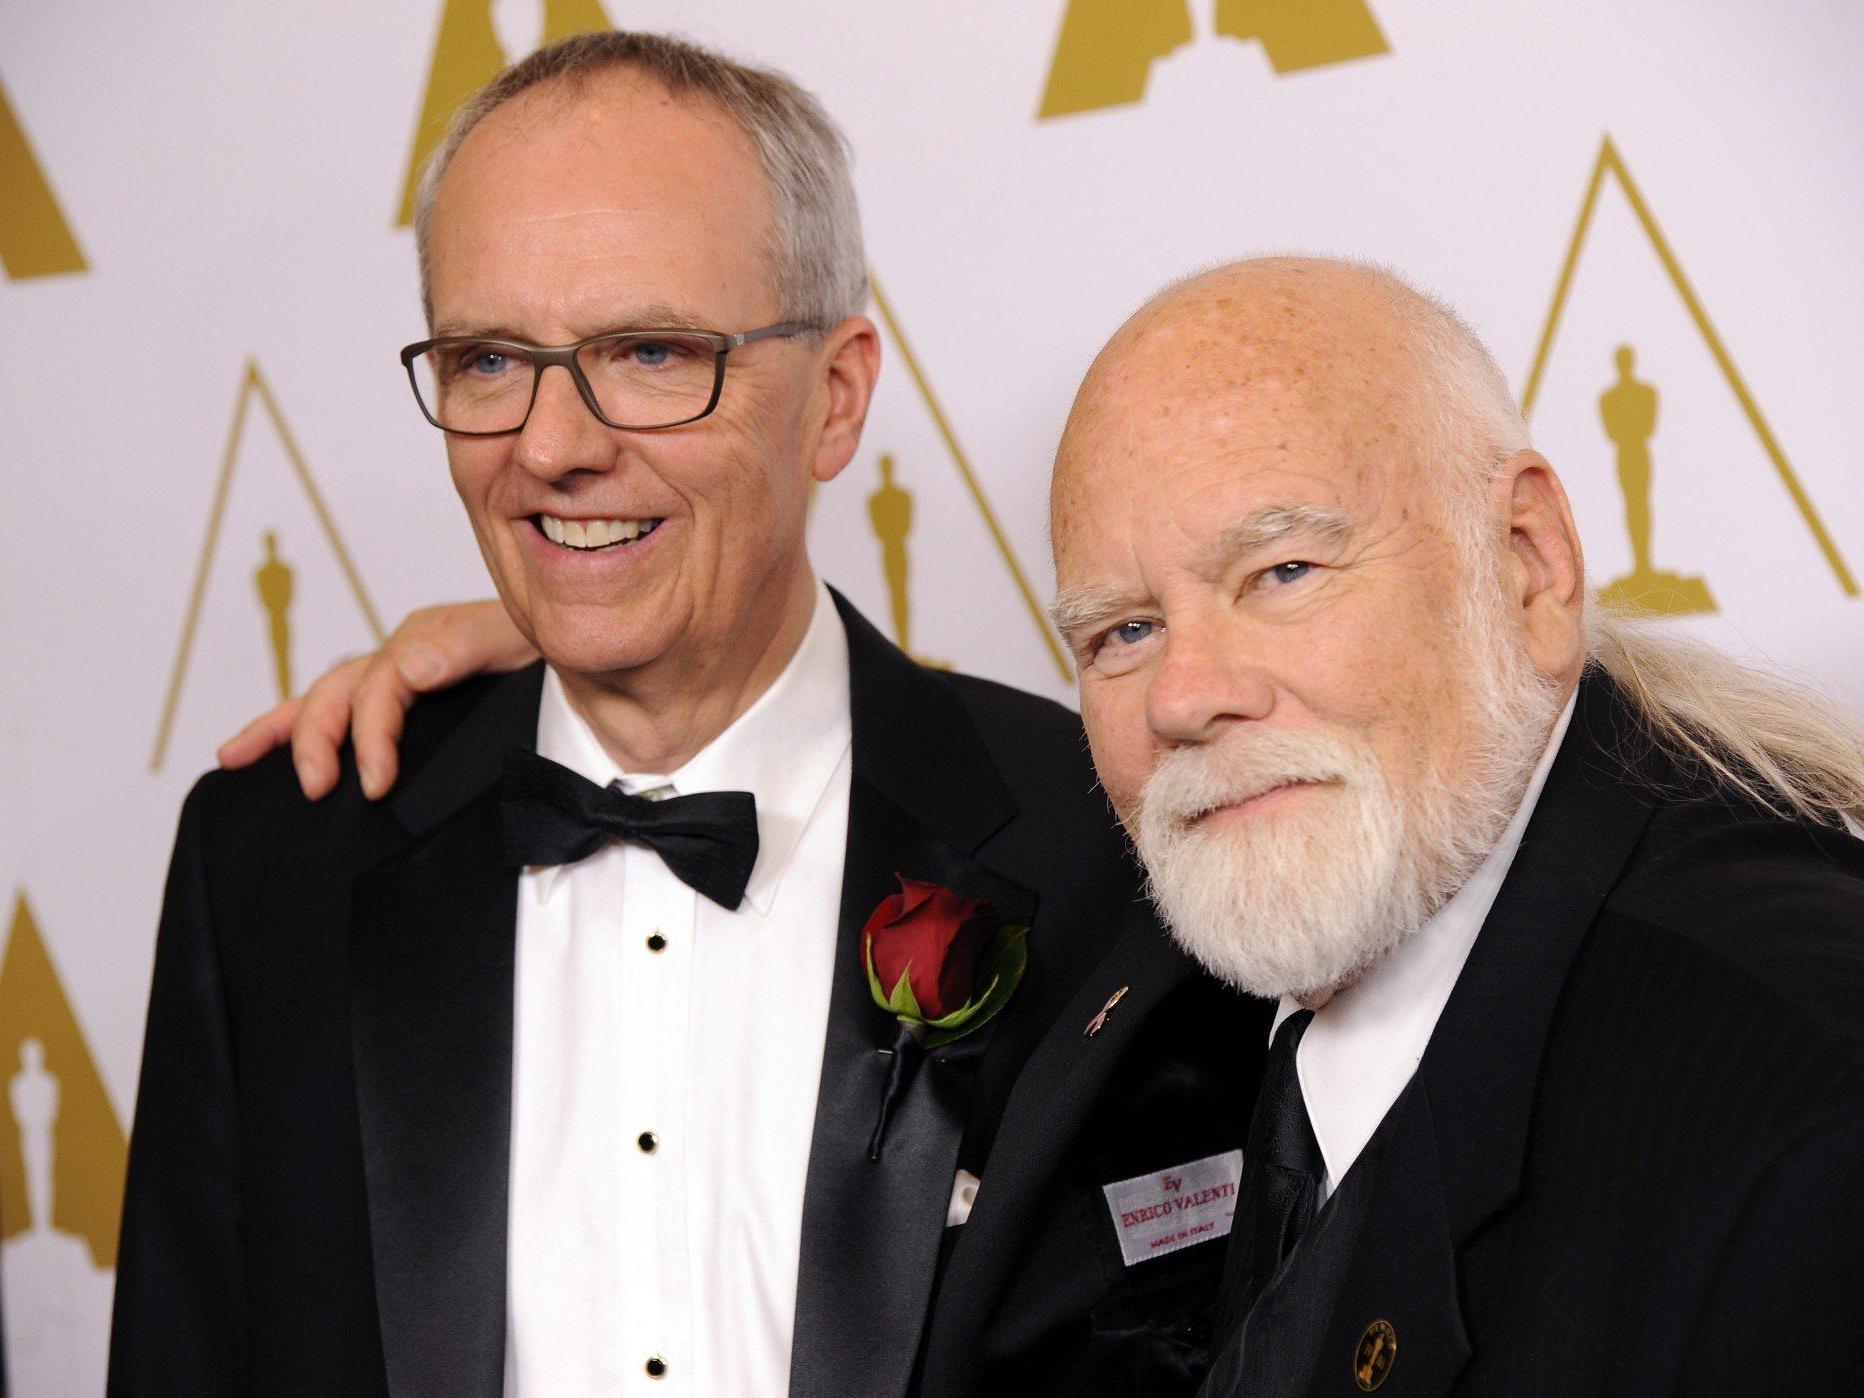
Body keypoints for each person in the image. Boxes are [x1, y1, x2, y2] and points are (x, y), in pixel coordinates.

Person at [280, 257, 1864, 1397]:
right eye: (1115, 631)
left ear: (1525, 561)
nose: (1188, 692)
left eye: (1282, 573)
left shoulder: (1792, 1114)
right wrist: (591, 639)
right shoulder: (1234, 907)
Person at [111, 32, 1260, 1398]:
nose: (549, 446)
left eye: (648, 352)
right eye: (488, 361)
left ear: (834, 400)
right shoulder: (275, 864)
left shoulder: (1110, 841)